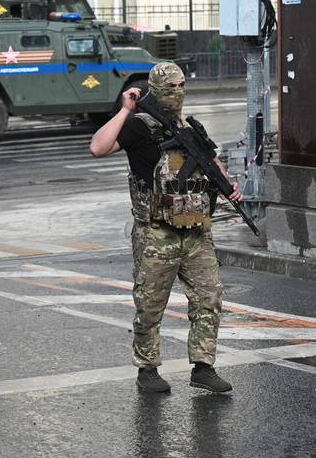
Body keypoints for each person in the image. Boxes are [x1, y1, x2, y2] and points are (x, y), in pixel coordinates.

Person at [90, 62, 242, 394]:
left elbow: (211, 158)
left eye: (182, 85)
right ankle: (147, 370)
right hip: (156, 233)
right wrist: (124, 110)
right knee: (150, 303)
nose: (178, 92)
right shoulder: (138, 126)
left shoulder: (191, 126)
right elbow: (98, 148)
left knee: (209, 296)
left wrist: (228, 184)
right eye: (171, 87)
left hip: (196, 231)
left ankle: (203, 367)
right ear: (156, 90)